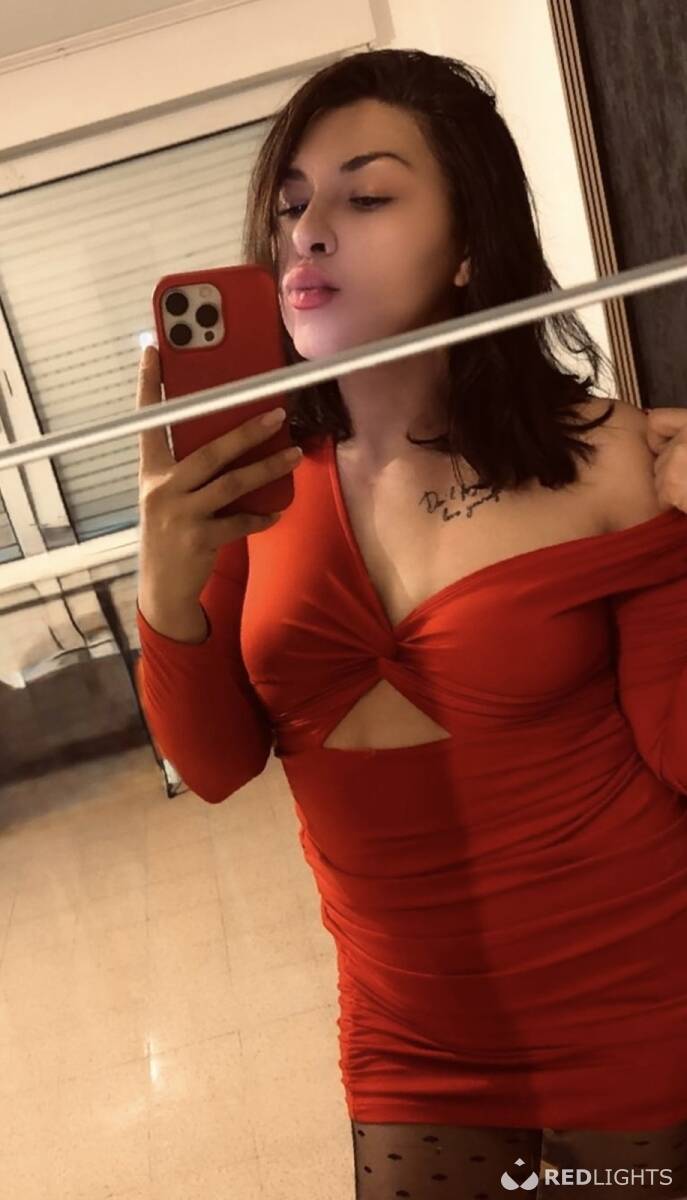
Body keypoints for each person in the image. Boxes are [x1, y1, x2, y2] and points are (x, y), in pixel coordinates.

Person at [135, 50, 687, 1198]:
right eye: (290, 205)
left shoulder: (608, 458)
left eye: (367, 196)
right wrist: (166, 591)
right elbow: (216, 767)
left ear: (470, 243)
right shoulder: (246, 484)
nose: (308, 234)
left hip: (638, 1004)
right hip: (410, 1037)